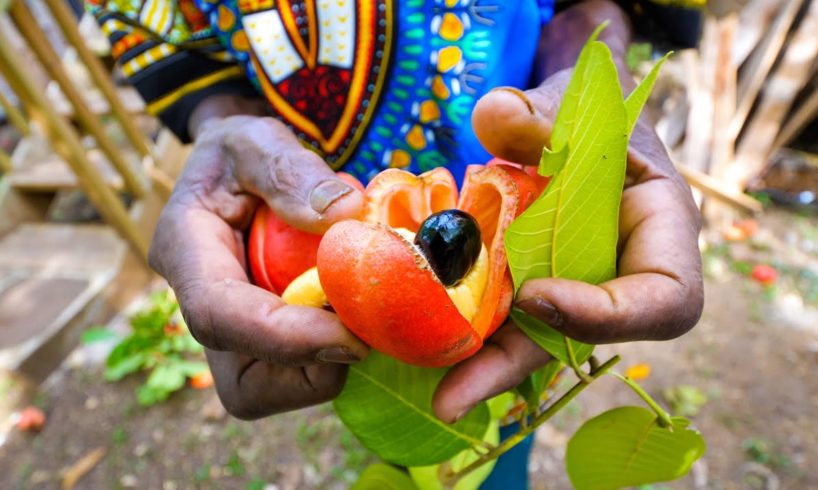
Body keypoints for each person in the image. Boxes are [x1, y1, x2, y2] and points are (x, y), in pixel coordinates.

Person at [87, 0, 704, 482]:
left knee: (495, 437)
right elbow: (192, 64)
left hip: (524, 276)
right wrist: (224, 130)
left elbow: (590, 6)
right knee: (397, 433)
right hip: (313, 263)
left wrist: (594, 90)